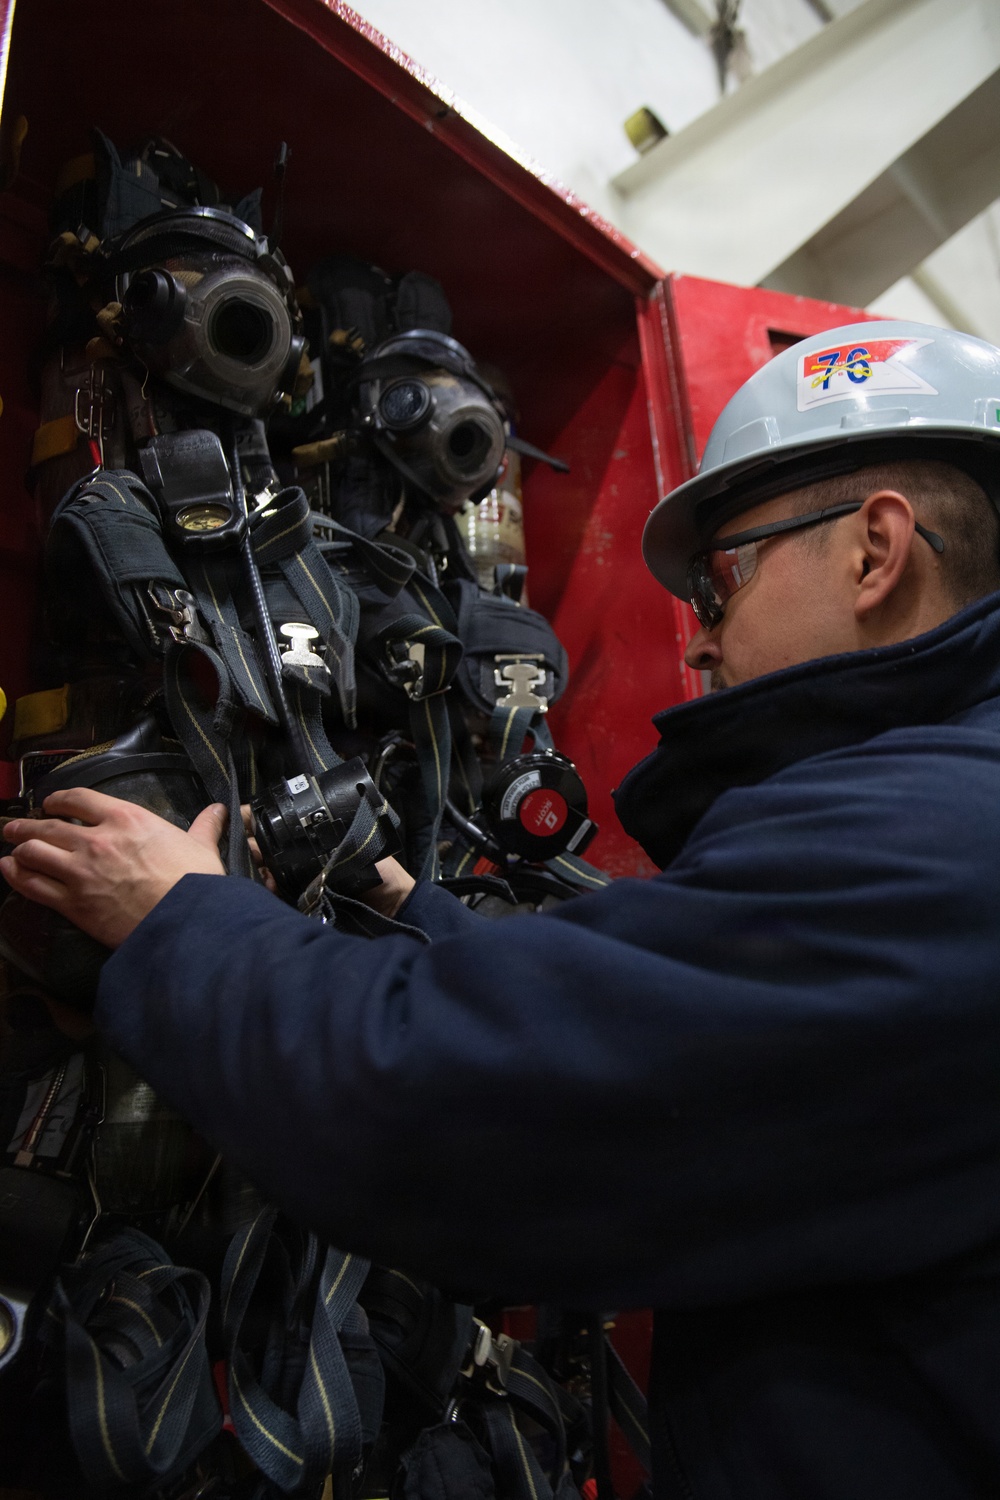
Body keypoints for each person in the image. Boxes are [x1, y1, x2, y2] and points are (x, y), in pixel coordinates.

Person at [4, 320, 1000, 1500]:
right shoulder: (948, 813)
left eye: (720, 577)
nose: (697, 645)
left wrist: (181, 922)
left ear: (875, 551)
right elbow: (657, 1042)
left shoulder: (936, 850)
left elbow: (467, 1102)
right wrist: (410, 909)